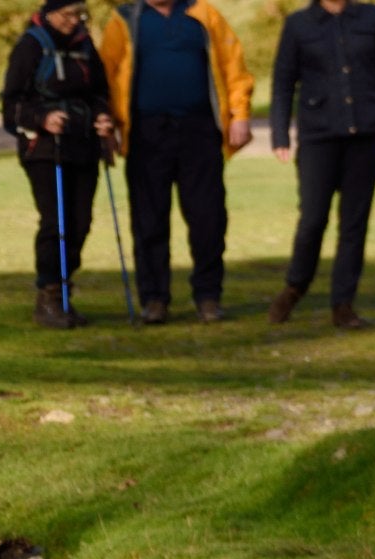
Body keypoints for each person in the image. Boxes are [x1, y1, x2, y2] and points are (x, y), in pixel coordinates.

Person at [99, 0, 257, 324]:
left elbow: (233, 66)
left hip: (199, 130)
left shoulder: (204, 13)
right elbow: (107, 72)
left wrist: (240, 114)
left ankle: (208, 296)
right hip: (146, 132)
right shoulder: (125, 19)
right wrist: (109, 123)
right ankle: (154, 299)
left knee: (208, 217)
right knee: (149, 220)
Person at [268, 0, 375, 330]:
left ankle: (343, 304)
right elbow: (283, 81)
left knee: (354, 223)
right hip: (319, 136)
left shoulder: (373, 18)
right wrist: (279, 134)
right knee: (313, 218)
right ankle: (295, 286)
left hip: (366, 133)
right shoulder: (298, 25)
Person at [1, 0, 120, 330]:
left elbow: (99, 91)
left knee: (80, 223)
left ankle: (65, 292)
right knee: (57, 223)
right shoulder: (31, 46)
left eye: (79, 14)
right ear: (50, 12)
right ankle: (49, 297)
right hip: (44, 150)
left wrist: (103, 117)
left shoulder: (84, 45)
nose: (73, 21)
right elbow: (10, 107)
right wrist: (41, 118)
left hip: (83, 146)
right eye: (67, 14)